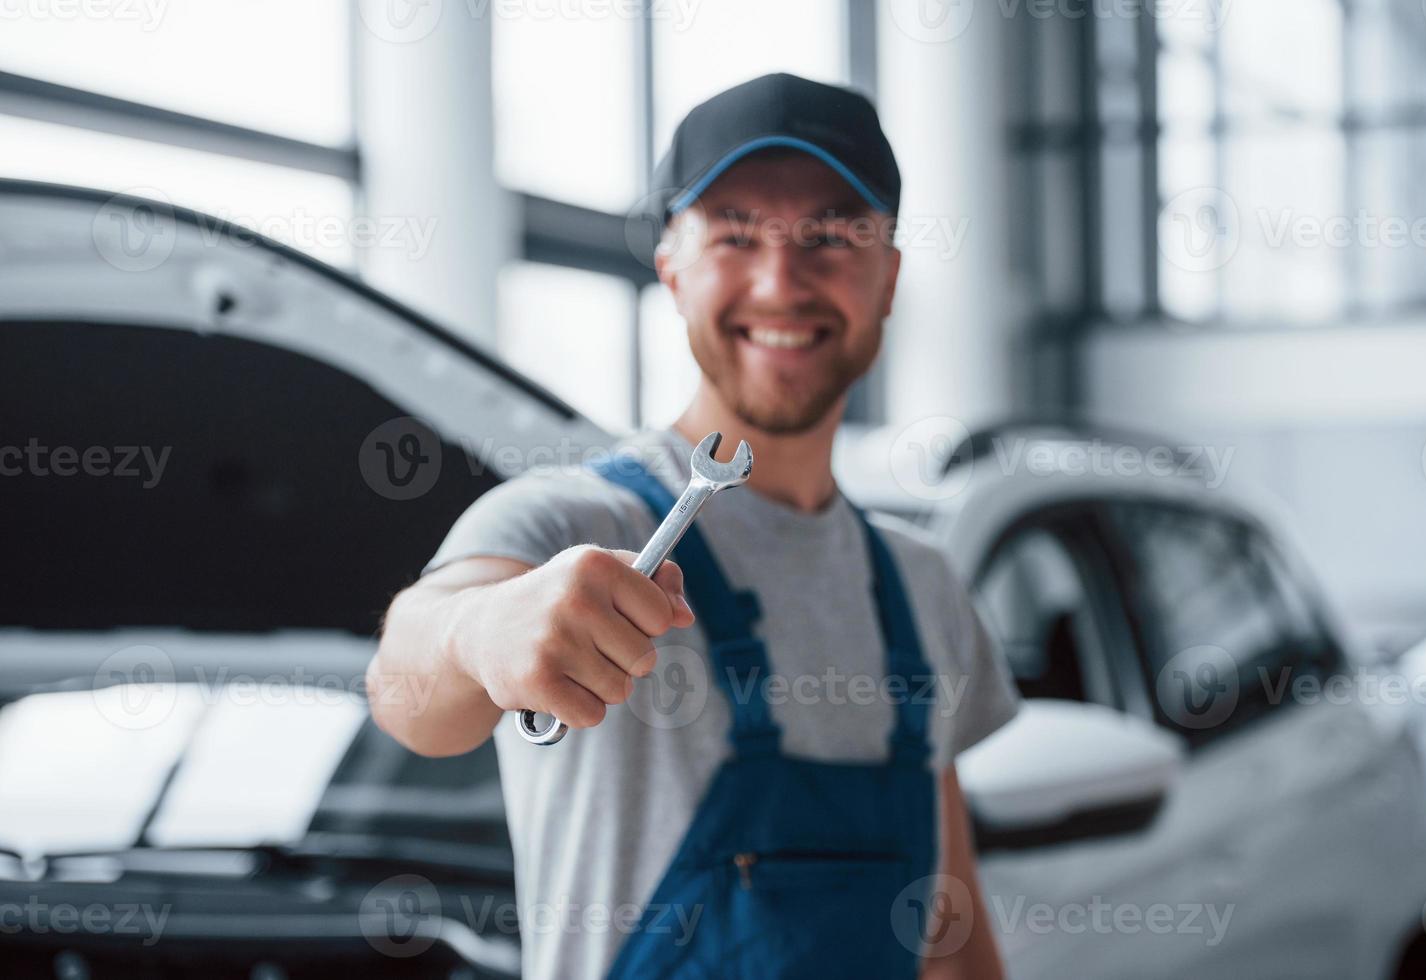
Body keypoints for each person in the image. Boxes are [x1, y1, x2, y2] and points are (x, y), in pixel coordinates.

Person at [369, 72, 1019, 980]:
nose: (780, 281)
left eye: (830, 236)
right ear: (671, 267)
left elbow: (948, 931)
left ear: (890, 275)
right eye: (735, 236)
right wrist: (479, 632)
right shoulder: (568, 522)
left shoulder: (924, 590)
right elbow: (408, 696)